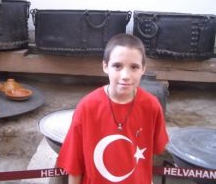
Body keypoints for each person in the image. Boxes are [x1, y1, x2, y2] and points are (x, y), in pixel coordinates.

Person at [57, 33, 169, 184]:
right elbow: (74, 164)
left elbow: (151, 153)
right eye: (117, 66)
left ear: (143, 69)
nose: (125, 75)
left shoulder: (152, 106)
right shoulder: (87, 107)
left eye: (134, 67)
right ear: (105, 66)